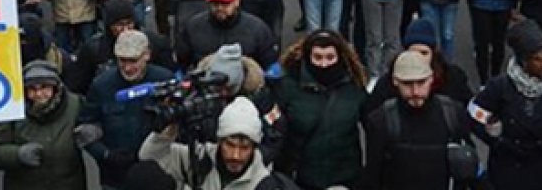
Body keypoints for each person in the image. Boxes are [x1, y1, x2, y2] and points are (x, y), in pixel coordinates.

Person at [469, 19, 542, 190]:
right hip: (508, 168)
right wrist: (497, 140)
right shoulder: (499, 87)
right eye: (538, 59)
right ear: (524, 61)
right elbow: (475, 114)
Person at [361, 51, 483, 190]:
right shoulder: (381, 121)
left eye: (421, 82)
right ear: (395, 81)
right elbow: (372, 177)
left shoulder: (453, 114)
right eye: (407, 84)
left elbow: (469, 168)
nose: (415, 91)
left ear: (431, 79)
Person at [77, 29, 175, 190]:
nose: (128, 68)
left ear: (147, 55)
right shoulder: (101, 85)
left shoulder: (164, 81)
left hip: (156, 175)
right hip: (115, 177)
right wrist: (105, 155)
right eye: (122, 61)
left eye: (133, 61)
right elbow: (84, 129)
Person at [274, 31, 368, 190]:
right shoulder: (288, 87)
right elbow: (275, 133)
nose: (324, 64)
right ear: (307, 57)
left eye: (330, 57)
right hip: (300, 179)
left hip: (345, 178)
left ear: (340, 57)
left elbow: (375, 126)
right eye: (317, 58)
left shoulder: (354, 88)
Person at [138, 97, 293, 190]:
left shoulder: (263, 184)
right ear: (219, 141)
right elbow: (149, 157)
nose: (235, 156)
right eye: (230, 145)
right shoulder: (199, 159)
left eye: (244, 148)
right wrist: (168, 131)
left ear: (255, 147)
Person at [0, 61, 86, 190]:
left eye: (44, 87)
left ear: (55, 87)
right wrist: (17, 155)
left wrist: (92, 131)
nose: (38, 94)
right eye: (32, 89)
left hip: (68, 184)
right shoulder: (11, 108)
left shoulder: (76, 105)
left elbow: (97, 127)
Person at [192, 44, 288, 165]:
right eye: (218, 88)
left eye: (229, 88)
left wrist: (251, 162)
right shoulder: (200, 95)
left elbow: (275, 135)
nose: (223, 92)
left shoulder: (261, 98)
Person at [65, 0, 175, 95]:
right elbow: (78, 87)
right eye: (119, 25)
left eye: (129, 23)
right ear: (109, 26)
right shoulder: (93, 49)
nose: (125, 30)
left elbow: (169, 80)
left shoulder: (156, 44)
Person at [174, 0, 278, 70]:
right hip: (204, 85)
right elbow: (181, 64)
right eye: (215, 3)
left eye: (225, 3)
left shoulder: (258, 30)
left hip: (245, 88)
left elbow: (270, 67)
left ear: (237, 0)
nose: (219, 8)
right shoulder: (193, 27)